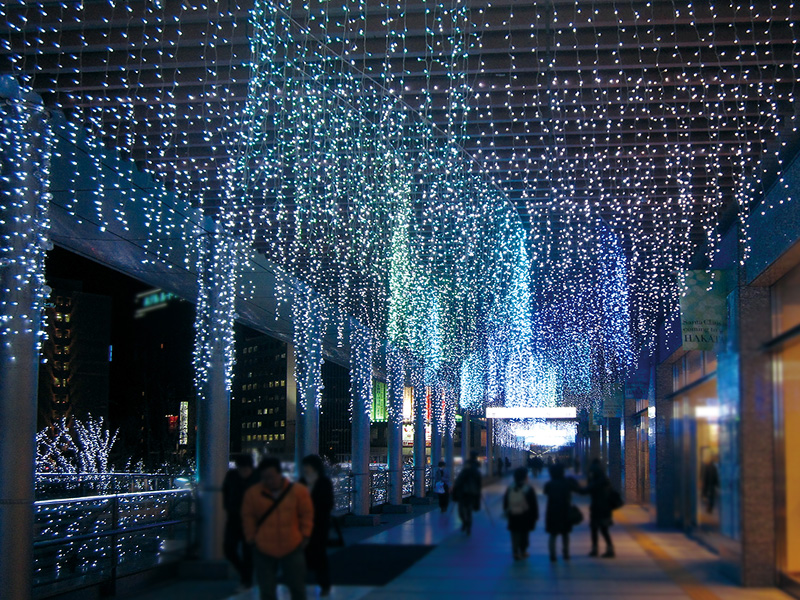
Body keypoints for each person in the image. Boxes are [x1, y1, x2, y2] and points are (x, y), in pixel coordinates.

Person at [242, 456, 314, 600]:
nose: (268, 481)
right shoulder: (253, 493)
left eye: (271, 477)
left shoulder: (298, 491)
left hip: (292, 544)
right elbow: (248, 517)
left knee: (297, 587)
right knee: (267, 590)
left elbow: (306, 514)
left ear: (279, 474)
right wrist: (251, 538)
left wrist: (305, 535)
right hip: (264, 546)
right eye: (265, 478)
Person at [222, 453, 259, 590]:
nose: (243, 472)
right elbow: (226, 493)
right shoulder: (232, 476)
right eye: (241, 469)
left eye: (245, 469)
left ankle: (246, 580)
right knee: (229, 549)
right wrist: (228, 508)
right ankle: (245, 575)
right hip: (234, 518)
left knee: (248, 552)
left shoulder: (257, 478)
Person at [300, 454, 335, 597]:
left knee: (319, 553)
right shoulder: (302, 482)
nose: (305, 469)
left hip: (319, 523)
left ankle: (323, 583)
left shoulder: (323, 482)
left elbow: (328, 503)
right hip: (304, 523)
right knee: (303, 554)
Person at [543, 462, 580, 561]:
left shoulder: (549, 484)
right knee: (565, 534)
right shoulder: (566, 483)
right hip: (565, 510)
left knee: (553, 534)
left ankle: (553, 555)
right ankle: (566, 553)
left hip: (552, 511)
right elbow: (579, 489)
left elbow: (545, 492)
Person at [581, 458, 615, 558]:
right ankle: (609, 549)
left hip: (597, 507)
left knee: (595, 529)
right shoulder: (605, 480)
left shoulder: (595, 482)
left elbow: (586, 490)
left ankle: (595, 549)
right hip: (605, 508)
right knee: (604, 529)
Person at [503, 467, 539, 560]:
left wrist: (507, 512)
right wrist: (535, 516)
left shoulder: (510, 487)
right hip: (525, 515)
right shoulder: (528, 489)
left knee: (515, 533)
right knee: (524, 533)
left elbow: (506, 502)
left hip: (513, 514)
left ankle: (515, 552)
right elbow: (533, 504)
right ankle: (523, 551)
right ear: (525, 477)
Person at [452, 452, 482, 535]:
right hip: (469, 491)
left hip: (468, 492)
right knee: (466, 511)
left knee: (465, 510)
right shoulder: (473, 468)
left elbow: (459, 481)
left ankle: (467, 524)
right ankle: (466, 523)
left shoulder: (471, 468)